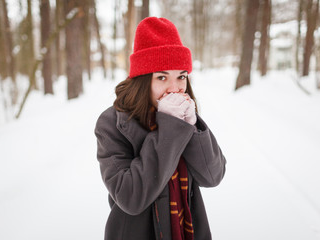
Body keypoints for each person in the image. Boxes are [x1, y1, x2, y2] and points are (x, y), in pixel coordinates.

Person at [94, 17, 226, 240]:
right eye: (162, 77)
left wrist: (191, 126)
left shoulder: (184, 116)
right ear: (144, 80)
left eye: (181, 76)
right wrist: (170, 130)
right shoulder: (112, 124)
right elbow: (131, 197)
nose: (174, 89)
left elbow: (212, 176)